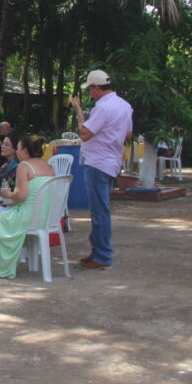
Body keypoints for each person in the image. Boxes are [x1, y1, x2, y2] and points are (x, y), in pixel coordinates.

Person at [70, 69, 133, 270]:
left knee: (99, 211)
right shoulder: (124, 105)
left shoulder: (102, 107)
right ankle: (98, 251)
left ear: (96, 88)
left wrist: (79, 113)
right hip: (110, 161)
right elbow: (129, 133)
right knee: (100, 209)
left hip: (98, 162)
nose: (90, 93)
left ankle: (102, 255)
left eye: (90, 89)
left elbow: (85, 134)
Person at [0, 135, 55, 278]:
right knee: (2, 217)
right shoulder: (47, 165)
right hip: (44, 217)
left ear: (24, 151)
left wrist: (9, 194)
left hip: (28, 218)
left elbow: (21, 195)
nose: (17, 152)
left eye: (17, 148)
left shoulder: (24, 166)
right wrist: (11, 202)